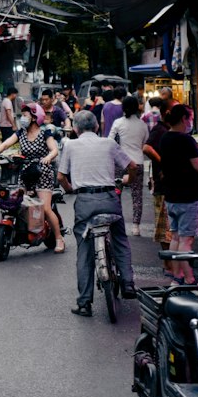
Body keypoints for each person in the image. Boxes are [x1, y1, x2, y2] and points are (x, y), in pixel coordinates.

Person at [58, 109, 134, 317]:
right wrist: (128, 180)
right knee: (119, 238)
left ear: (75, 129)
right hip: (110, 199)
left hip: (85, 202)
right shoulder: (109, 143)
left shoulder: (70, 145)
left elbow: (60, 176)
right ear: (97, 126)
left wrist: (71, 189)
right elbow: (132, 166)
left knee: (84, 250)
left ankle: (84, 303)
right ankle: (128, 283)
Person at [0, 102, 65, 252]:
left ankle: (59, 238)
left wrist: (48, 157)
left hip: (42, 172)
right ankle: (24, 231)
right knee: (16, 203)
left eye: (25, 115)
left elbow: (54, 150)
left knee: (45, 208)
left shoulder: (45, 133)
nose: (22, 118)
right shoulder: (21, 133)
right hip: (25, 172)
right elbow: (6, 144)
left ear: (34, 117)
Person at [159, 103, 198, 284]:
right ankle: (189, 279)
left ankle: (176, 275)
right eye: (191, 117)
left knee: (176, 237)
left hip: (171, 195)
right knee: (186, 241)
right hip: (188, 195)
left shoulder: (165, 138)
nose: (191, 121)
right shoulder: (186, 140)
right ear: (184, 119)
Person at [109, 94, 147, 236]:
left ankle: (118, 222)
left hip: (120, 162)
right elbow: (144, 142)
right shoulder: (142, 125)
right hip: (137, 162)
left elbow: (110, 141)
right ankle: (136, 226)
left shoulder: (118, 123)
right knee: (137, 195)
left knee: (117, 193)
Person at [143, 111, 170, 248]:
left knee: (168, 228)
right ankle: (168, 262)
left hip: (166, 185)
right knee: (164, 228)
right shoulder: (160, 130)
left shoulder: (166, 130)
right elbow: (147, 148)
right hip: (162, 185)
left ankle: (170, 263)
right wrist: (163, 164)